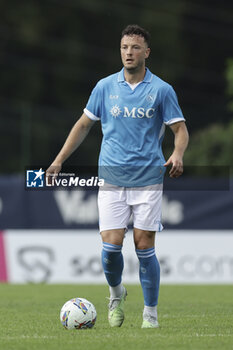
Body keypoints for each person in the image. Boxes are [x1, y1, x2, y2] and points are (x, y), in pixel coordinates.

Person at [47, 24, 189, 329]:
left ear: (146, 53)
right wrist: (59, 160)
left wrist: (177, 154)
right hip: (111, 177)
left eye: (135, 47)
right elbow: (83, 125)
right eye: (125, 47)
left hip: (148, 177)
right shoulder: (104, 87)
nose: (129, 52)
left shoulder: (161, 90)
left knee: (143, 245)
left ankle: (150, 315)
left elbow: (180, 130)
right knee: (110, 248)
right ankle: (116, 294)